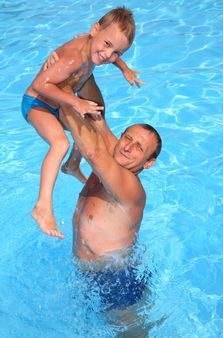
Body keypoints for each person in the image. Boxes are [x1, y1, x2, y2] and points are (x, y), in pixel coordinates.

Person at [21, 7, 143, 239]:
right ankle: (43, 205)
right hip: (37, 104)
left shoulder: (96, 46)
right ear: (94, 29)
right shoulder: (75, 58)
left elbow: (111, 53)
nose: (108, 55)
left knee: (93, 120)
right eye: (107, 45)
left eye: (117, 52)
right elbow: (39, 85)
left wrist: (125, 69)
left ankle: (72, 166)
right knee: (59, 144)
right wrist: (76, 103)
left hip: (55, 103)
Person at [58, 88, 162, 318]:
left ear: (148, 163)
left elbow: (93, 153)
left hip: (116, 280)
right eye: (128, 138)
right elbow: (97, 114)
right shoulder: (117, 153)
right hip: (91, 274)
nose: (128, 147)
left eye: (139, 148)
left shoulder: (129, 185)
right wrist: (84, 68)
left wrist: (62, 98)